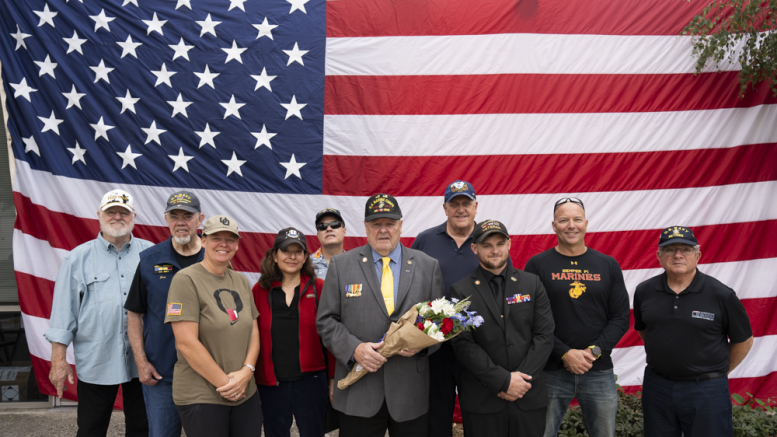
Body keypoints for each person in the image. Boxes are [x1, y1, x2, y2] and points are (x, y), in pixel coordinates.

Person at [317, 193, 445, 437]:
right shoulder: (341, 265)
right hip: (359, 390)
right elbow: (326, 321)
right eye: (376, 224)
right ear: (366, 227)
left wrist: (422, 346)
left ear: (400, 225)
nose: (384, 230)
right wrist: (354, 349)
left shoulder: (428, 266)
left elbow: (439, 324)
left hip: (410, 392)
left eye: (390, 223)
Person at [45, 189, 153, 437]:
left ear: (133, 216)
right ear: (99, 215)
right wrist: (58, 360)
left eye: (123, 212)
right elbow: (63, 314)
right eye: (111, 211)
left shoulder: (151, 255)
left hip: (144, 359)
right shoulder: (77, 258)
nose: (117, 216)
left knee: (142, 428)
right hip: (97, 358)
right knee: (91, 428)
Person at [523, 197, 630, 437]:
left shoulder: (607, 265)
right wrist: (564, 353)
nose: (571, 225)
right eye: (563, 220)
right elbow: (529, 318)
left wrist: (594, 351)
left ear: (586, 224)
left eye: (577, 219)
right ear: (554, 226)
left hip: (598, 370)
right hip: (550, 370)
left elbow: (621, 317)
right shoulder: (537, 265)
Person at [634, 226, 753, 437]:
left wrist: (718, 373)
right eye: (670, 249)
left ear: (697, 256)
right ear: (659, 256)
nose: (678, 255)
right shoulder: (644, 291)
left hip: (706, 391)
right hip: (658, 387)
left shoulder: (721, 294)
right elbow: (645, 330)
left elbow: (744, 340)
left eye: (686, 249)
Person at [451, 220, 555, 437]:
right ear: (474, 248)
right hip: (483, 400)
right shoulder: (460, 291)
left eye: (500, 243)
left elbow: (544, 336)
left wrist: (520, 382)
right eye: (487, 245)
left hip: (528, 396)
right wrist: (503, 381)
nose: (495, 250)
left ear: (509, 244)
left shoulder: (532, 284)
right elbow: (464, 345)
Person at [164, 215, 261, 437]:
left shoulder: (241, 281)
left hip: (245, 391)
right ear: (203, 240)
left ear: (237, 244)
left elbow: (253, 331)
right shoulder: (185, 279)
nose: (223, 244)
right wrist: (228, 385)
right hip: (203, 395)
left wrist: (247, 372)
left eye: (230, 239)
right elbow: (186, 343)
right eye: (216, 237)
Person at [125, 191, 205, 437]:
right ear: (166, 219)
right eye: (174, 216)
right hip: (161, 374)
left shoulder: (214, 258)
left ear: (200, 219)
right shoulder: (150, 261)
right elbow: (135, 315)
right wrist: (141, 363)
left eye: (187, 216)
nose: (181, 222)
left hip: (206, 373)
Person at [411, 180, 479, 437]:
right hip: (434, 341)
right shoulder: (426, 240)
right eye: (454, 204)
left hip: (477, 342)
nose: (460, 209)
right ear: (445, 208)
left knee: (478, 411)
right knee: (436, 413)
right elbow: (409, 283)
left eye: (466, 203)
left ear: (475, 206)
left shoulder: (488, 239)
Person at [252, 227, 330, 437]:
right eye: (286, 251)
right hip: (271, 384)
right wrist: (253, 380)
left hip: (311, 381)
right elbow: (251, 338)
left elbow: (330, 337)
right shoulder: (259, 290)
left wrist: (332, 379)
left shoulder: (319, 287)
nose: (292, 256)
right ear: (275, 255)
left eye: (298, 252)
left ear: (305, 257)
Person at [311, 208, 347, 280]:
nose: (329, 229)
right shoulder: (305, 265)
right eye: (322, 226)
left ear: (344, 231)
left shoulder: (356, 263)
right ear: (318, 235)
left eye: (335, 224)